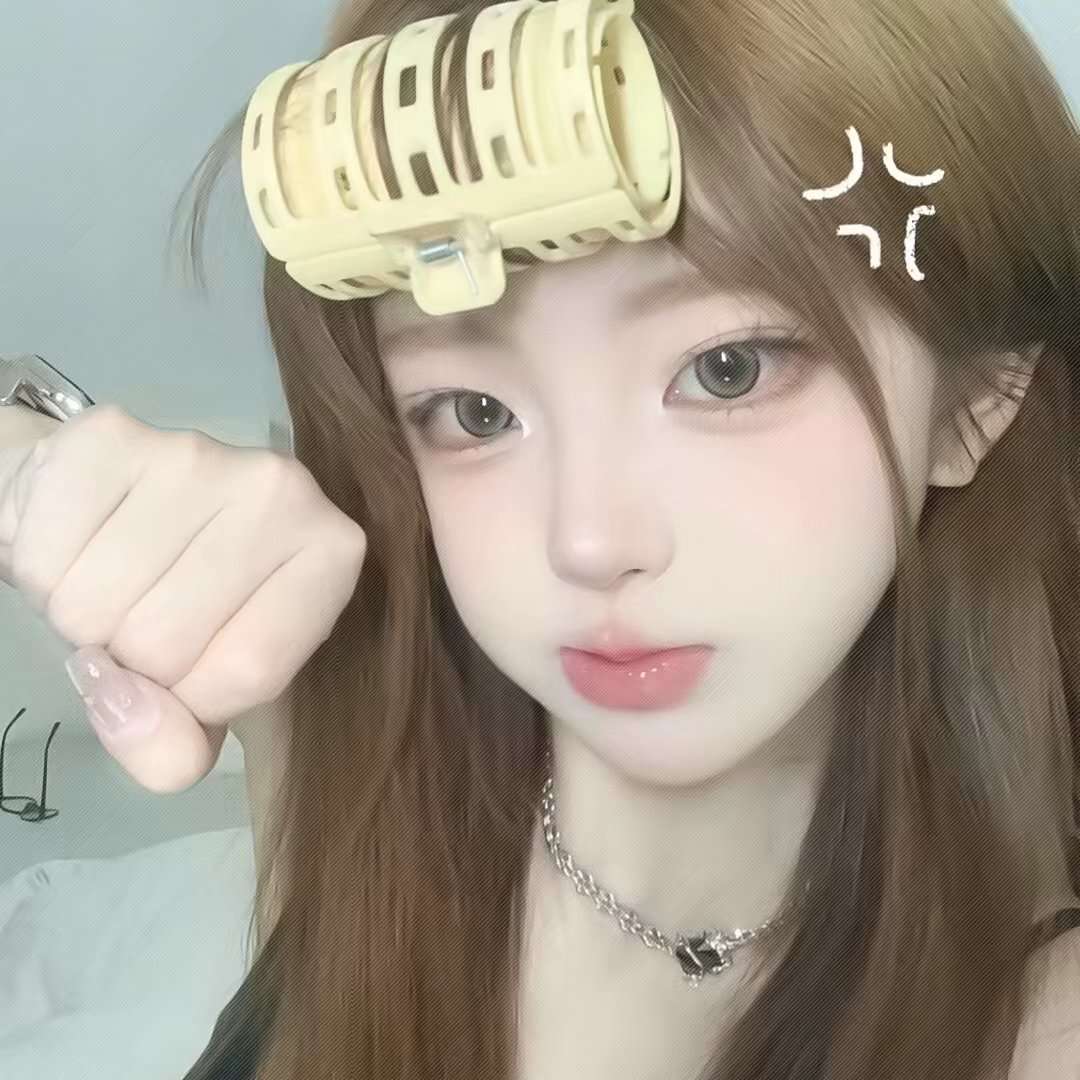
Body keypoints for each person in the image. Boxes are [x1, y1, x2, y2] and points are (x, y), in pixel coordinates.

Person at [23, 0, 1080, 1076]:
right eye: (475, 412)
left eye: (729, 370)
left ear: (973, 402)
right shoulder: (346, 724)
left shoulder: (1036, 1030)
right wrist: (39, 476)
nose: (587, 542)